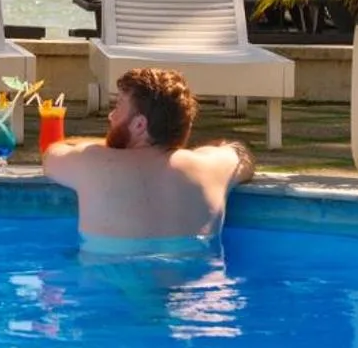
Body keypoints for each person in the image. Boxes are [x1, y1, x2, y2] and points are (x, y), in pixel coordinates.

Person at [42, 67, 253, 257]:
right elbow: (242, 155)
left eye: (119, 106)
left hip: (112, 286)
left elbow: (52, 154)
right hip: (201, 292)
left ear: (140, 124)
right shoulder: (210, 166)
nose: (111, 116)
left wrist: (104, 144)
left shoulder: (93, 160)